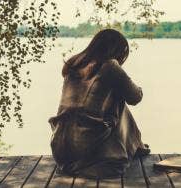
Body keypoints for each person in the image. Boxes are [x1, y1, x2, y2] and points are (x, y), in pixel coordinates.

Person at [48, 29, 150, 179]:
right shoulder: (109, 66)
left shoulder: (73, 63)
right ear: (116, 50)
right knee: (118, 99)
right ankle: (136, 146)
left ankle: (137, 145)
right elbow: (135, 97)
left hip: (60, 146)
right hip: (85, 144)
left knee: (110, 97)